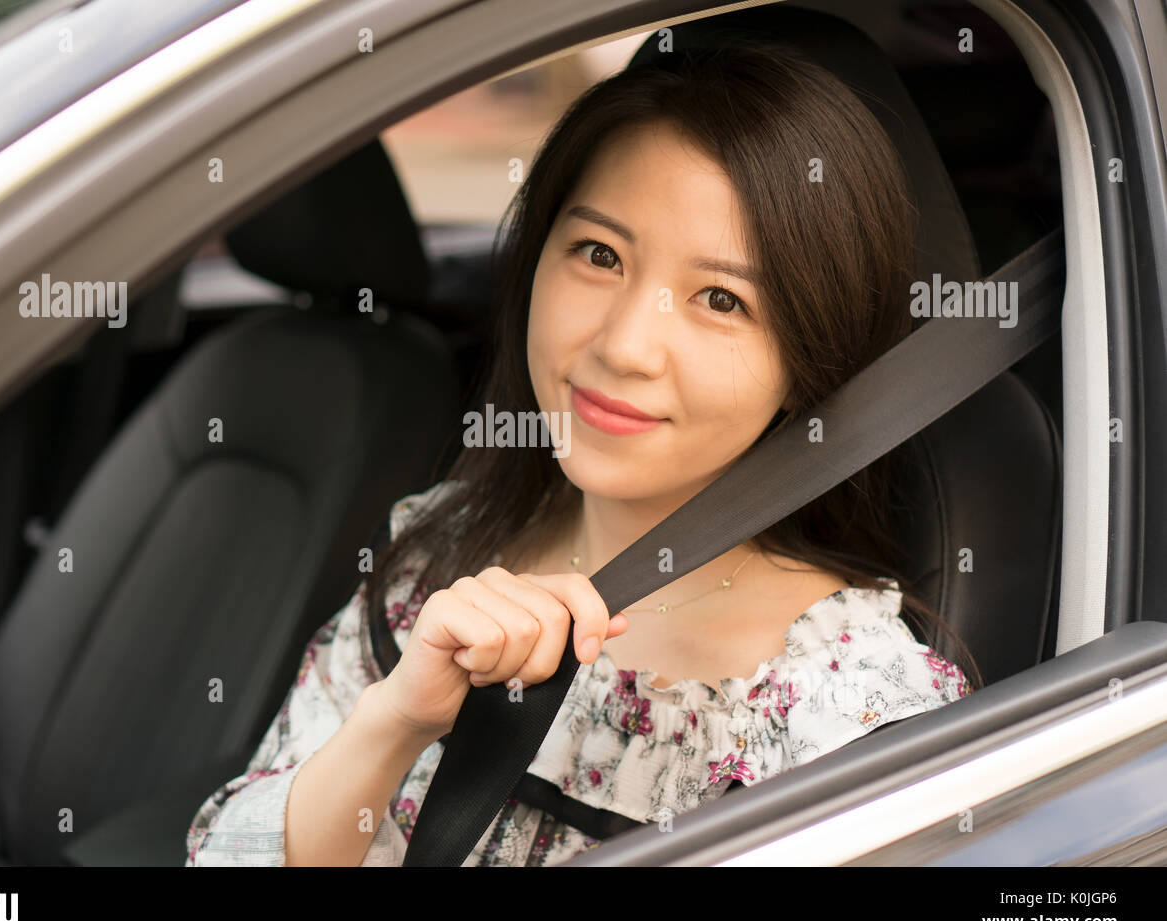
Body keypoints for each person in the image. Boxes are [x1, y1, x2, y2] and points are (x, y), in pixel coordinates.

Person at [185, 38, 980, 867]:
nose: (626, 346)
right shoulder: (441, 547)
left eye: (721, 298)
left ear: (809, 359)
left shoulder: (850, 715)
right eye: (600, 255)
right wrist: (395, 722)